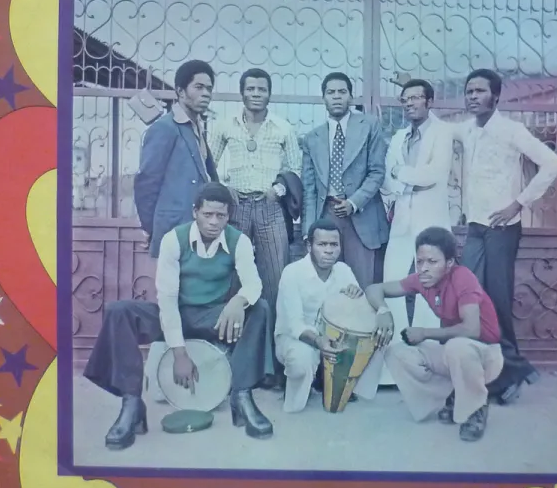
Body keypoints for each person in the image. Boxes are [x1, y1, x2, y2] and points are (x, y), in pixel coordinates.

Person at [84, 183, 274, 448]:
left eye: (220, 216)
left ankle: (242, 397)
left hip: (212, 317)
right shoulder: (174, 239)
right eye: (207, 214)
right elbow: (167, 299)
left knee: (259, 308)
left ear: (228, 216)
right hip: (175, 313)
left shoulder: (238, 241)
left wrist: (238, 301)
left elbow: (253, 284)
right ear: (195, 212)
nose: (214, 222)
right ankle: (132, 404)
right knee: (120, 312)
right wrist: (179, 354)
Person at [452, 68, 557, 404]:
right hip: (475, 228)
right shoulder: (467, 130)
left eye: (480, 91)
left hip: (502, 229)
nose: (473, 96)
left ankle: (510, 372)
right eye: (469, 91)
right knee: (471, 298)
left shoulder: (512, 130)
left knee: (497, 301)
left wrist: (518, 203)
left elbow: (553, 164)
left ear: (496, 96)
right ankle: (497, 371)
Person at [209, 68, 302, 388]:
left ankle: (273, 367)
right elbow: (207, 164)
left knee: (275, 285)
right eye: (251, 89)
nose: (256, 94)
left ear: (269, 93)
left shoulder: (283, 128)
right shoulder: (225, 126)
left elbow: (295, 169)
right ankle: (233, 363)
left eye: (262, 89)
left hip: (270, 209)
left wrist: (277, 190)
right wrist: (224, 189)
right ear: (242, 93)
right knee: (233, 284)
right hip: (236, 210)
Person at [365, 227, 503, 442]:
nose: (424, 268)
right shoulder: (422, 279)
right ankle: (452, 397)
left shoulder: (463, 278)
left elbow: (471, 329)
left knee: (457, 346)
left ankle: (475, 408)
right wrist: (383, 311)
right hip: (454, 355)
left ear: (449, 263)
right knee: (397, 353)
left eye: (432, 262)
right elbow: (375, 289)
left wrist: (425, 333)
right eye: (420, 261)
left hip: (486, 356)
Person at [274, 218, 386, 412]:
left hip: (332, 338)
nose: (329, 250)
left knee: (376, 339)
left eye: (334, 245)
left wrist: (356, 297)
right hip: (296, 339)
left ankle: (346, 386)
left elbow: (357, 316)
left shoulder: (343, 270)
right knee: (302, 359)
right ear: (309, 246)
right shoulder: (292, 273)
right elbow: (295, 326)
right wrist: (319, 341)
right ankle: (298, 390)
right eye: (322, 244)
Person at [381, 78, 456, 336]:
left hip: (431, 219)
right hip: (402, 218)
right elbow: (387, 178)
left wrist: (401, 172)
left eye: (415, 98)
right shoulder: (399, 137)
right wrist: (404, 179)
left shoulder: (442, 133)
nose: (409, 104)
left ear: (429, 102)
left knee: (431, 282)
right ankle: (393, 347)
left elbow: (433, 174)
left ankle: (428, 346)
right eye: (405, 99)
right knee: (393, 280)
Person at [301, 72, 389, 289]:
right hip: (326, 216)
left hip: (361, 214)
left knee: (361, 284)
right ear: (324, 98)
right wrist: (308, 230)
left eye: (342, 92)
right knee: (325, 285)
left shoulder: (369, 126)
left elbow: (377, 172)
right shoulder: (312, 138)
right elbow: (309, 189)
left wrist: (353, 202)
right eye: (331, 92)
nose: (337, 97)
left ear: (351, 96)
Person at [133, 60, 218, 258]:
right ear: (180, 91)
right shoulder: (165, 128)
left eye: (209, 88)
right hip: (174, 230)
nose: (206, 93)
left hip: (198, 229)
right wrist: (151, 228)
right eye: (199, 87)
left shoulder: (196, 127)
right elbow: (147, 182)